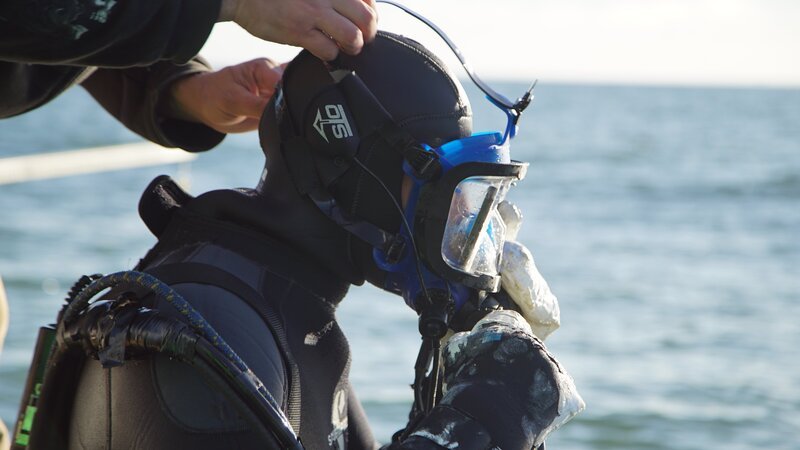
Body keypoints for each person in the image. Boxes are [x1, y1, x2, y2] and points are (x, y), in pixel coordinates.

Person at [19, 31, 583, 449]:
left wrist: (474, 378)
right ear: (349, 167)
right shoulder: (206, 335)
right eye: (454, 196)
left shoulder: (293, 319)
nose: (467, 229)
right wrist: (487, 420)